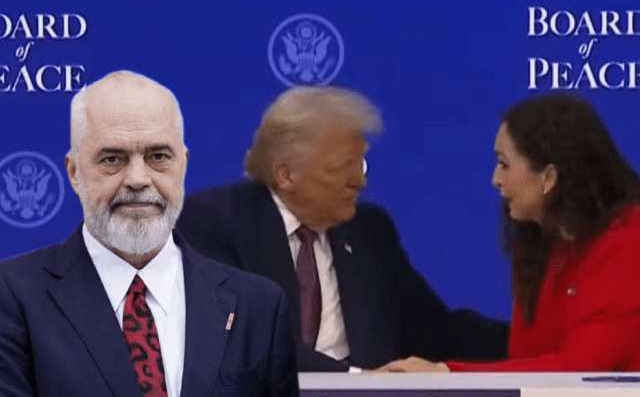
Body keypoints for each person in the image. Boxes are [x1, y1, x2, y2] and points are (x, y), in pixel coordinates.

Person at [0, 71, 302, 397]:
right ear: (74, 172)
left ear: (183, 165)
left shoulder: (257, 308)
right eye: (113, 159)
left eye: (158, 157)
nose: (138, 179)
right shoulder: (13, 297)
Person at [176, 86, 508, 372]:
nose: (359, 181)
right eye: (342, 168)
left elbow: (432, 328)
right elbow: (239, 341)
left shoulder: (369, 230)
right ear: (286, 175)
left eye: (360, 164)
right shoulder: (215, 223)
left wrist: (526, 344)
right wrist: (356, 382)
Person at [377, 93, 640, 373]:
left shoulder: (632, 242)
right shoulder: (551, 243)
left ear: (549, 178)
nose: (495, 179)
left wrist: (447, 374)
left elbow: (580, 369)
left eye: (504, 164)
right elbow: (528, 360)